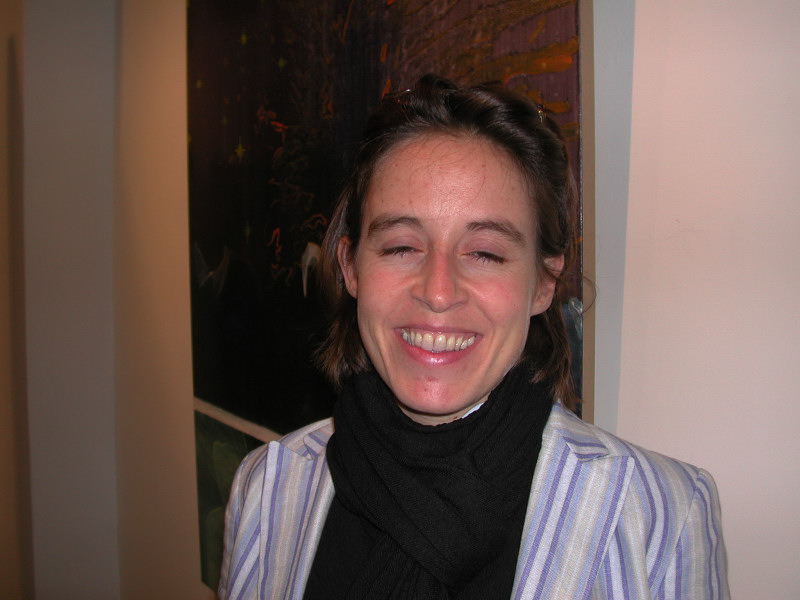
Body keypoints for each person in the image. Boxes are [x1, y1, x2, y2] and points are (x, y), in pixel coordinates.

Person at [217, 75, 729, 599]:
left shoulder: (662, 516)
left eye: (485, 253)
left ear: (544, 283)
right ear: (351, 268)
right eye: (401, 247)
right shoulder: (265, 486)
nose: (438, 292)